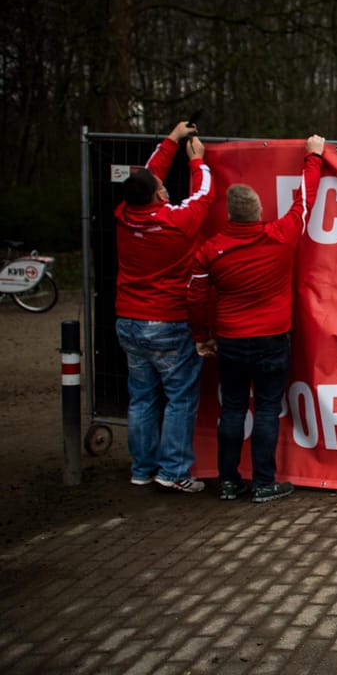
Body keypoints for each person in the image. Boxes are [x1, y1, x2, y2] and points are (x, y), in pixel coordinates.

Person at [187, 136, 325, 503]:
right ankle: (264, 482)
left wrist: (201, 335)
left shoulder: (210, 250)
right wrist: (314, 156)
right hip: (272, 340)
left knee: (232, 409)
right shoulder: (280, 235)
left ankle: (229, 482)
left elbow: (196, 296)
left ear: (230, 214)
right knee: (266, 408)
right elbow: (305, 199)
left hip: (230, 340)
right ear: (260, 209)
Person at [114, 120, 215, 492]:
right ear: (158, 196)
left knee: (141, 397)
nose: (162, 183)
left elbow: (150, 172)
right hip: (169, 323)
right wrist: (197, 161)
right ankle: (173, 472)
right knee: (179, 399)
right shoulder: (176, 222)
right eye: (160, 186)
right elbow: (204, 194)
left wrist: (172, 140)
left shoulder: (125, 215)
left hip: (129, 322)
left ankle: (142, 469)